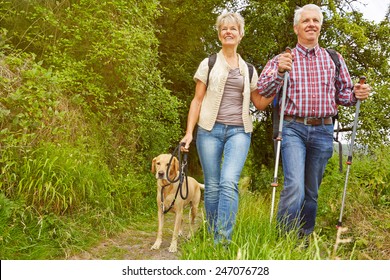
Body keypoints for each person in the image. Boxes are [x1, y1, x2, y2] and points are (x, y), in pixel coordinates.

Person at [257, 4, 370, 238]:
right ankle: (283, 239)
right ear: (296, 27)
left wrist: (358, 93)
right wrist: (279, 72)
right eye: (306, 21)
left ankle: (304, 239)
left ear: (320, 26)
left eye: (315, 21)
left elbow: (345, 96)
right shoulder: (283, 59)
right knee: (294, 187)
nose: (311, 24)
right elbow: (264, 90)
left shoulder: (334, 59)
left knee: (311, 192)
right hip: (292, 129)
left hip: (323, 130)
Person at [180, 12, 274, 245]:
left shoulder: (250, 69)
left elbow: (259, 103)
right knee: (211, 186)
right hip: (209, 131)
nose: (229, 32)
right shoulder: (209, 63)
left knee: (229, 182)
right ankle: (211, 235)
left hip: (239, 132)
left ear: (241, 34)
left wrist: (277, 84)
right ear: (219, 34)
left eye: (233, 28)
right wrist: (189, 133)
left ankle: (222, 241)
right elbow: (197, 101)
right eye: (224, 29)